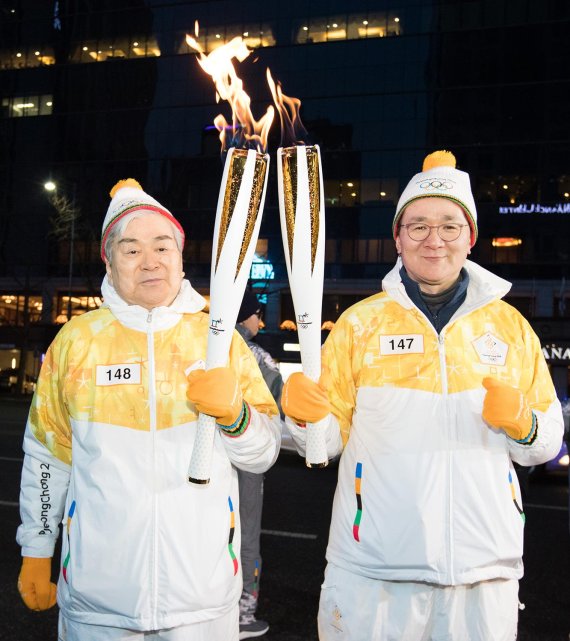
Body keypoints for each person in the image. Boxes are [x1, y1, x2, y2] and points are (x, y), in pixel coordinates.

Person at [281, 151, 564, 641]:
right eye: (417, 226)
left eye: (450, 226)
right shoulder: (360, 325)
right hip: (374, 570)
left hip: (483, 570)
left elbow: (542, 446)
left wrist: (525, 422)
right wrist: (306, 419)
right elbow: (321, 445)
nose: (434, 239)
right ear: (397, 237)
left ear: (470, 237)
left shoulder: (510, 328)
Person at [16, 179, 281, 641]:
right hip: (98, 600)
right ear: (109, 260)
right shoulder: (77, 343)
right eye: (131, 249)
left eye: (162, 246)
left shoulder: (219, 343)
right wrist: (37, 548)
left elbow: (262, 455)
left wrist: (235, 416)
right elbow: (46, 457)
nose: (150, 261)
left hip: (203, 599)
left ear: (180, 258)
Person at [235, 289, 284, 639]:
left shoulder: (199, 345)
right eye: (256, 314)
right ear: (245, 316)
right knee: (246, 535)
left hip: (200, 458)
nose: (260, 321)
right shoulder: (255, 355)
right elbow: (282, 404)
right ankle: (242, 614)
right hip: (246, 459)